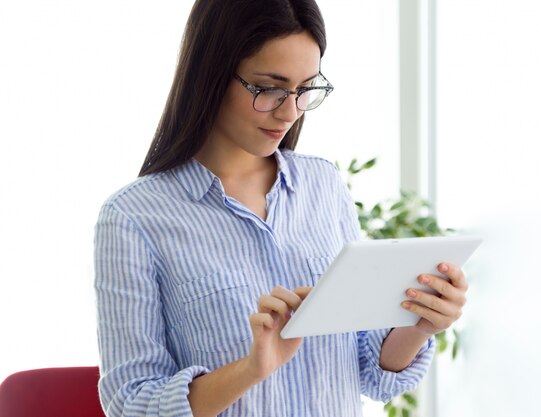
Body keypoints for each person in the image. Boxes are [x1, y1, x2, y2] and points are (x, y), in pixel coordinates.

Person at [94, 0, 469, 416]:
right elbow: (130, 404)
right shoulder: (133, 217)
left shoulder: (323, 185)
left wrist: (419, 326)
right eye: (269, 88)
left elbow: (369, 371)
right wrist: (252, 369)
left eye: (305, 89)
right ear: (211, 73)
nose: (289, 112)